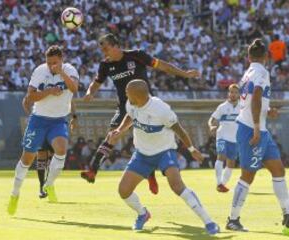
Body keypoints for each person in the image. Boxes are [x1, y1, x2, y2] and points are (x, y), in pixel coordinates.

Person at [81, 33, 200, 195]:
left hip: (146, 106)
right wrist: (90, 93)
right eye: (102, 50)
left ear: (116, 46)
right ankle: (93, 170)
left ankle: (150, 175)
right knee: (112, 135)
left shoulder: (136, 56)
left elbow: (163, 66)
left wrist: (185, 74)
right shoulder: (105, 65)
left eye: (106, 49)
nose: (104, 53)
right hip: (125, 107)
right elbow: (96, 82)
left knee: (145, 141)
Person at [108, 80, 219, 234]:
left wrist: (192, 149)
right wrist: (120, 130)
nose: (125, 95)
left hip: (164, 152)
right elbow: (130, 115)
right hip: (142, 154)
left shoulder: (161, 110)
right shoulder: (131, 103)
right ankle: (143, 214)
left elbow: (180, 131)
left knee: (177, 186)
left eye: (128, 92)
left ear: (137, 95)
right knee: (123, 191)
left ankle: (209, 222)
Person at [225, 39, 289, 235]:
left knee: (278, 169)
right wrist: (255, 126)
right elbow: (256, 97)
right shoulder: (261, 72)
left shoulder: (248, 73)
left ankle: (287, 214)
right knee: (248, 176)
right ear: (266, 57)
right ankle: (233, 219)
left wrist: (267, 110)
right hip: (252, 129)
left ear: (248, 56)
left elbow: (255, 99)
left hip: (260, 128)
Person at [7, 45, 79, 215]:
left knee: (61, 150)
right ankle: (14, 194)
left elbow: (74, 89)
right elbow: (30, 96)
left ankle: (49, 184)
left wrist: (61, 73)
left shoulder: (70, 70)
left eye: (55, 63)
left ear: (61, 60)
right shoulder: (40, 71)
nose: (51, 66)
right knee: (27, 158)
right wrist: (48, 91)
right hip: (38, 120)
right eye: (49, 63)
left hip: (59, 120)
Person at [22, 96, 78, 198]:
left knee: (55, 155)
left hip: (57, 124)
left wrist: (74, 117)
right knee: (41, 154)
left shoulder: (62, 86)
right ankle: (42, 187)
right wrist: (32, 116)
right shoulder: (40, 84)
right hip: (41, 124)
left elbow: (70, 100)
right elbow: (26, 100)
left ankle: (49, 185)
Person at [208, 84, 240, 192]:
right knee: (221, 156)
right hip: (222, 136)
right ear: (228, 93)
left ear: (239, 94)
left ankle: (222, 184)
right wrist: (211, 126)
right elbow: (212, 119)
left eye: (235, 92)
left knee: (231, 163)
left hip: (235, 139)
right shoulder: (222, 107)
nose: (233, 94)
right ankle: (218, 182)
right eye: (231, 92)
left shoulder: (243, 107)